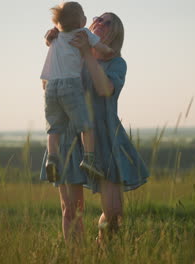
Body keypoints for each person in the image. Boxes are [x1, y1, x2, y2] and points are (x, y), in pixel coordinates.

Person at [40, 12, 149, 244]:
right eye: (97, 19)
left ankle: (102, 247)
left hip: (104, 136)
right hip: (70, 134)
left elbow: (104, 89)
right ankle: (78, 259)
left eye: (107, 22)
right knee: (71, 210)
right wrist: (54, 46)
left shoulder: (117, 63)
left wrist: (86, 54)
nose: (100, 22)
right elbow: (47, 85)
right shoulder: (69, 54)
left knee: (114, 212)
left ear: (115, 32)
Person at [41, 2, 114, 183]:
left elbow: (46, 40)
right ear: (81, 21)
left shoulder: (56, 36)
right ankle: (89, 160)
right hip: (70, 85)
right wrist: (110, 51)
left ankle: (52, 159)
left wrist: (49, 35)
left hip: (51, 87)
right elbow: (101, 48)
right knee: (85, 125)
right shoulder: (83, 34)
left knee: (53, 128)